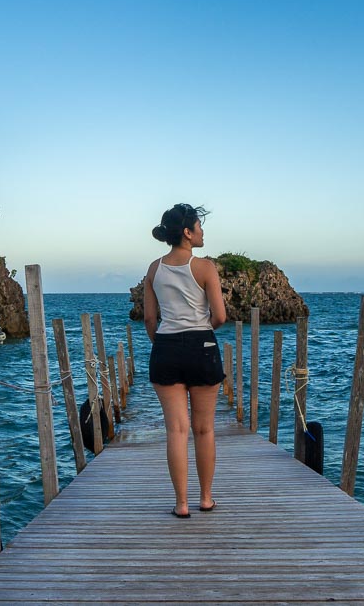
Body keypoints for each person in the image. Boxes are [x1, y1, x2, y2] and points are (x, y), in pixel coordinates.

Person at [143, 203, 228, 518]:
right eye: (199, 226)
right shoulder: (205, 267)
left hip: (165, 347)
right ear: (188, 233)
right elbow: (219, 315)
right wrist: (200, 331)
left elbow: (150, 319)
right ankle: (205, 498)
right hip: (202, 345)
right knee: (204, 429)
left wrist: (164, 342)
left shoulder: (154, 268)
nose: (203, 231)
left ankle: (181, 504)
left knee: (176, 431)